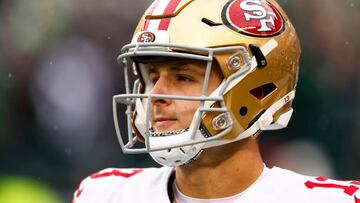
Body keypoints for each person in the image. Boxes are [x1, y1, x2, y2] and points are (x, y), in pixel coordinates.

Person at [73, 0, 359, 202]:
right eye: (151, 77)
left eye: (183, 77)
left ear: (258, 90)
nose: (156, 95)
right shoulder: (105, 194)